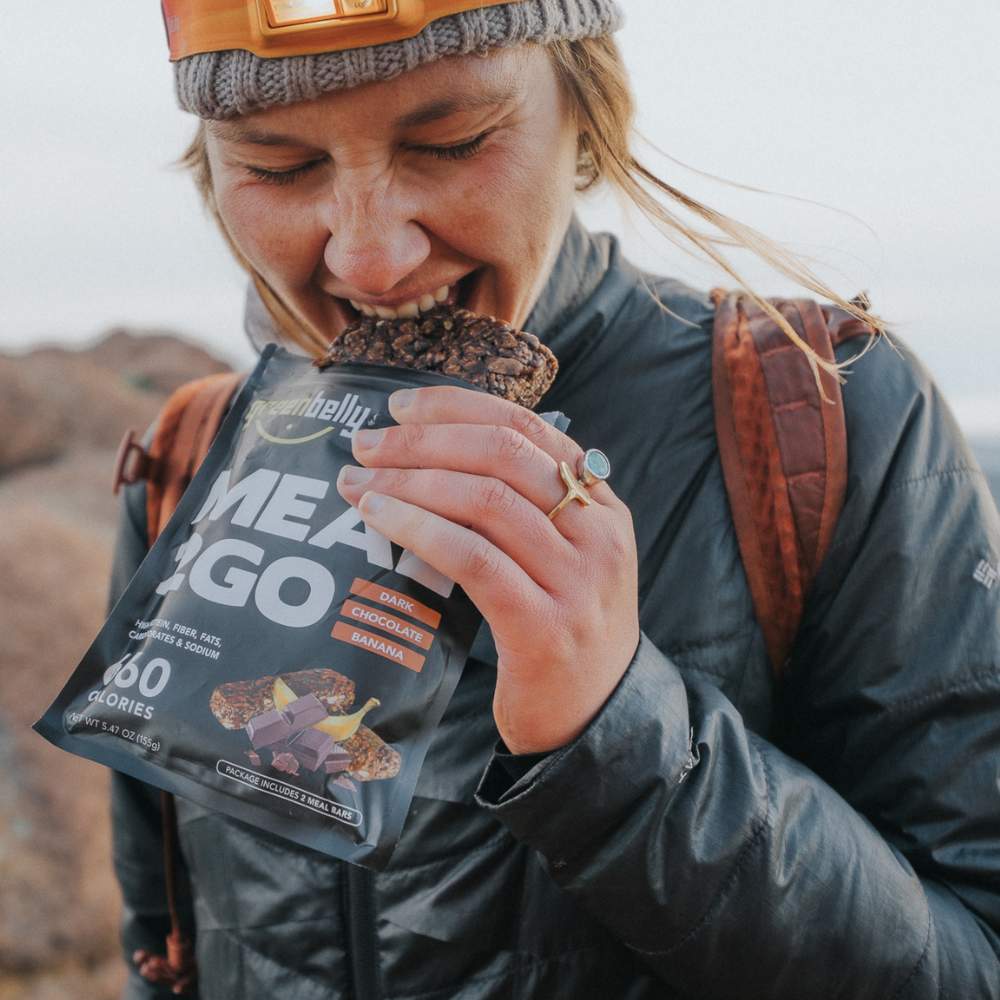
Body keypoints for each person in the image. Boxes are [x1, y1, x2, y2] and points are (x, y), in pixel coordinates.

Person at [110, 1, 1000, 996]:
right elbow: (165, 944)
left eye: (450, 142)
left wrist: (614, 733)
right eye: (277, 166)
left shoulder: (824, 410)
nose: (368, 254)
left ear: (587, 109)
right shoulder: (194, 456)